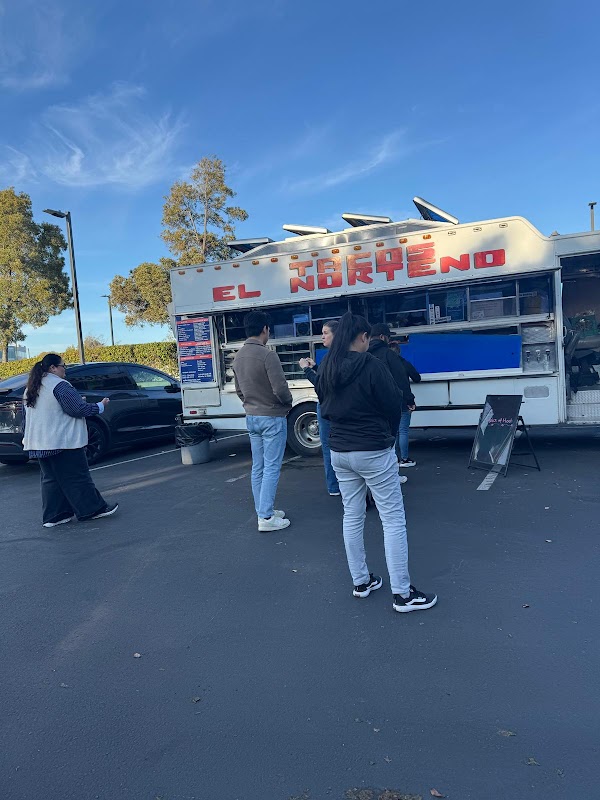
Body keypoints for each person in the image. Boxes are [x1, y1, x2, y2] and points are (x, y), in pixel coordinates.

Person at [317, 313, 437, 613]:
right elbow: (393, 405)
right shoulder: (370, 364)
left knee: (352, 515)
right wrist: (389, 437)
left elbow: (323, 403)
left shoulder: (328, 366)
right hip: (372, 449)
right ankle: (402, 593)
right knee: (392, 518)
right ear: (362, 337)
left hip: (339, 450)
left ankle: (361, 581)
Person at [22, 353, 118, 528]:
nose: (65, 370)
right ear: (53, 368)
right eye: (63, 366)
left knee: (51, 480)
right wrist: (100, 406)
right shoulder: (59, 385)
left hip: (39, 442)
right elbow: (77, 409)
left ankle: (55, 516)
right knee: (77, 477)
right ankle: (92, 510)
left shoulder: (31, 388)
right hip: (62, 441)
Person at [233, 311, 293, 532]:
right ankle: (266, 517)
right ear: (265, 329)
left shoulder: (238, 357)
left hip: (252, 416)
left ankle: (263, 510)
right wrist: (287, 403)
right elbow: (280, 389)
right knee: (271, 467)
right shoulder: (268, 356)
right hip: (272, 416)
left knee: (258, 467)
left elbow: (239, 390)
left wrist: (250, 403)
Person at [368, 323, 415, 481]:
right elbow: (401, 380)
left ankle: (378, 475)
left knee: (377, 443)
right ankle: (393, 474)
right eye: (388, 337)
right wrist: (409, 400)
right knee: (393, 437)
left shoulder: (363, 355)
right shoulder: (389, 355)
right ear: (382, 337)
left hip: (370, 407)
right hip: (390, 404)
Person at [299, 319, 340, 496]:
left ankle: (333, 486)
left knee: (328, 447)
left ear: (336, 335)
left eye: (325, 333)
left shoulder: (331, 358)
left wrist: (307, 370)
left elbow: (321, 385)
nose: (322, 337)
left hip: (326, 407)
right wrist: (315, 366)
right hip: (338, 407)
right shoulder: (340, 356)